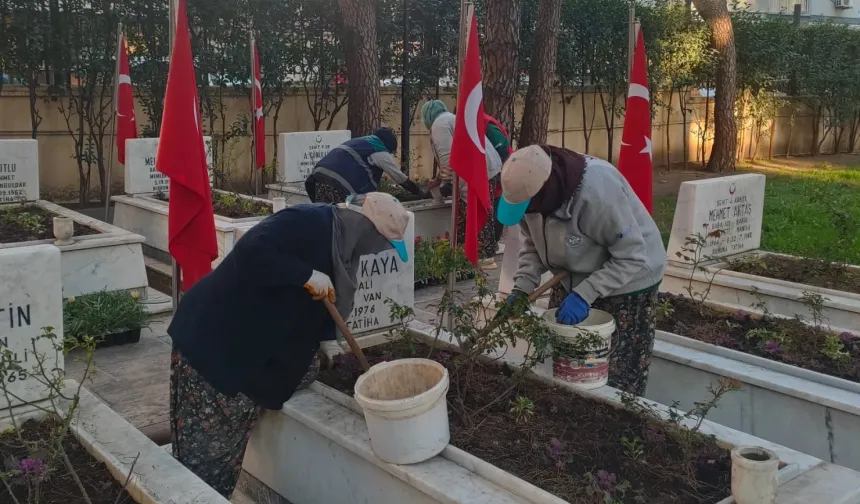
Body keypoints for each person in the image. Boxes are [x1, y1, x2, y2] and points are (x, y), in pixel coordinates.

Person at [167, 192, 410, 498]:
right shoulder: (310, 222)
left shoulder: (341, 246)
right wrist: (303, 273)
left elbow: (320, 304)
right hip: (217, 348)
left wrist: (325, 342)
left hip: (246, 353)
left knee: (218, 464)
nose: (377, 251)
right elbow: (252, 252)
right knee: (203, 469)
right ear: (366, 229)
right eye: (381, 242)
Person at [498, 145, 665, 396]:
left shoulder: (597, 193)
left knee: (614, 374)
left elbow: (631, 255)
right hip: (571, 275)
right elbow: (532, 244)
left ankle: (616, 425)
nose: (528, 214)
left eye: (529, 208)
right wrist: (522, 288)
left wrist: (584, 293)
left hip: (630, 279)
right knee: (568, 364)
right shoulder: (530, 199)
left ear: (545, 193)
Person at [421, 99, 502, 263]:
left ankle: (482, 256)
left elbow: (448, 159)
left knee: (476, 210)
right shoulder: (452, 118)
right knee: (476, 210)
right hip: (490, 166)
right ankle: (467, 251)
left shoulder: (439, 126)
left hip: (476, 171)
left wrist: (445, 186)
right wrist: (437, 180)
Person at [305, 127, 422, 204]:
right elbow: (400, 178)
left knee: (324, 216)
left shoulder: (361, 142)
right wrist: (419, 192)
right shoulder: (380, 152)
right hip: (337, 185)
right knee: (339, 221)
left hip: (318, 180)